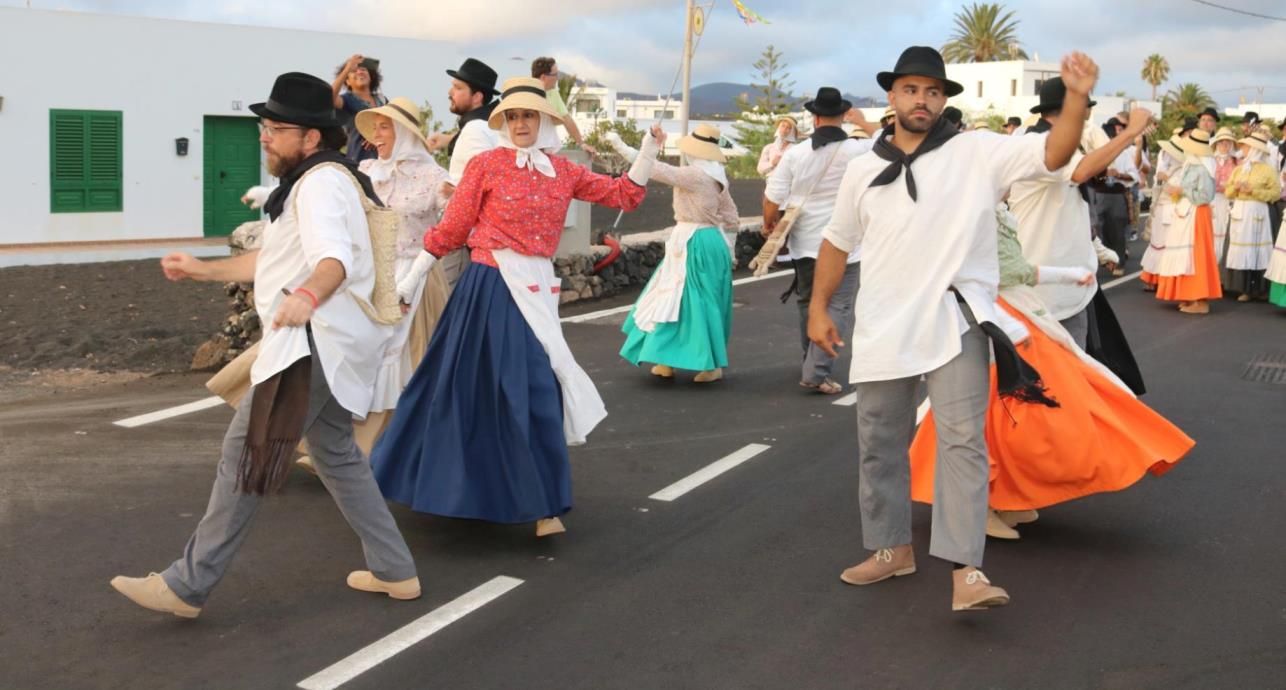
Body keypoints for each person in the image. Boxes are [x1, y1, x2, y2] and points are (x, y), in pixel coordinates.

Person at [110, 73, 421, 618]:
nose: (264, 136)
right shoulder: (307, 183)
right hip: (325, 344)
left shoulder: (322, 183)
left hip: (312, 344)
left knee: (248, 456)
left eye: (276, 128)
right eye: (265, 125)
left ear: (311, 136)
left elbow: (333, 262)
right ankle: (396, 571)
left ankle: (187, 586)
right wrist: (203, 270)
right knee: (338, 456)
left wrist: (307, 295)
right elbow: (271, 261)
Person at [808, 46, 1096, 612]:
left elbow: (1055, 153)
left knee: (963, 441)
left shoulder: (977, 152)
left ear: (943, 100)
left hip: (955, 316)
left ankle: (968, 571)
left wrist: (1078, 99)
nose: (923, 99)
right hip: (885, 323)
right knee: (879, 445)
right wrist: (819, 308)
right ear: (891, 97)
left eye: (933, 91)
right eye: (912, 89)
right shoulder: (863, 167)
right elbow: (837, 241)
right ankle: (891, 550)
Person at [368, 78, 663, 538]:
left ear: (544, 120)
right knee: (466, 389)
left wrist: (647, 152)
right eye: (513, 116)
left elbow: (624, 194)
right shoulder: (486, 164)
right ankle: (456, 489)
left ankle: (541, 504)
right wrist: (412, 276)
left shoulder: (564, 171)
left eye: (528, 115)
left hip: (536, 289)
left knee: (535, 390)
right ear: (503, 122)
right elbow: (453, 227)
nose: (521, 123)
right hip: (488, 288)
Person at [909, 203, 1194, 539]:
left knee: (1034, 406)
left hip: (1011, 313)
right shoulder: (968, 209)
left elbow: (1013, 271)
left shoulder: (989, 204)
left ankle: (1006, 497)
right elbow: (984, 276)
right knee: (1002, 411)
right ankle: (980, 504)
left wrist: (1068, 275)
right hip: (988, 319)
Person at [1010, 78, 1152, 347]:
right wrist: (1130, 132)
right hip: (1045, 291)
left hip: (1068, 284)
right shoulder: (1040, 144)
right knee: (1051, 379)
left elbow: (1070, 207)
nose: (1087, 115)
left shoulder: (1061, 145)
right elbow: (1082, 171)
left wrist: (1097, 249)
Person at [352, 97, 454, 447]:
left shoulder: (434, 177)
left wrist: (456, 199)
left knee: (410, 361)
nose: (377, 135)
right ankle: (352, 448)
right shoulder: (365, 171)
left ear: (405, 134)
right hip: (371, 276)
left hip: (419, 276)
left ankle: (399, 448)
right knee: (364, 357)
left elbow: (457, 221)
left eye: (385, 127)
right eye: (375, 127)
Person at [763, 87, 875, 394]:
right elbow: (890, 135)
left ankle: (808, 359)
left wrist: (769, 225)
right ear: (841, 116)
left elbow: (772, 198)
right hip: (845, 242)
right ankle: (816, 371)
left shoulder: (795, 154)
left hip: (804, 240)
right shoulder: (860, 150)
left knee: (808, 302)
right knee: (836, 304)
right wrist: (863, 122)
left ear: (814, 118)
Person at [609, 124, 739, 383]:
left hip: (693, 241)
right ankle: (678, 360)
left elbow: (652, 168)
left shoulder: (695, 175)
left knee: (681, 298)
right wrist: (729, 248)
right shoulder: (718, 177)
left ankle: (685, 361)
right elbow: (732, 217)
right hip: (710, 241)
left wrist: (620, 144)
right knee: (694, 300)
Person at [1151, 129, 1222, 314]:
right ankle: (1191, 296)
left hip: (1197, 214)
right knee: (1186, 255)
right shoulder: (1190, 166)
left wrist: (1181, 191)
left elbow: (1205, 196)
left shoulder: (1203, 169)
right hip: (1186, 212)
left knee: (1196, 255)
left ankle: (1200, 299)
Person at [1224, 131, 1283, 301]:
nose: (1243, 148)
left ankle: (1258, 288)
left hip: (1257, 212)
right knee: (1240, 250)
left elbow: (1275, 193)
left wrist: (1253, 191)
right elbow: (1228, 192)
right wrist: (1235, 188)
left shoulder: (1268, 170)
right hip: (1240, 211)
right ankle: (1242, 288)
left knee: (1258, 251)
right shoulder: (1239, 169)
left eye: (1246, 146)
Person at [428, 58, 501, 194]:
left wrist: (455, 193)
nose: (450, 92)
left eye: (458, 87)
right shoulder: (488, 124)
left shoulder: (474, 130)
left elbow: (485, 184)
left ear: (476, 98)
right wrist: (449, 139)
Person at [531, 56, 595, 154]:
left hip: (547, 151)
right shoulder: (526, 94)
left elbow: (567, 119)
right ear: (543, 77)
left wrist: (582, 144)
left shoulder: (553, 93)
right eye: (555, 75)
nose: (557, 78)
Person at [332, 54, 388, 162]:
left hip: (383, 162)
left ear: (371, 76)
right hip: (358, 160)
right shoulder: (347, 99)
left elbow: (395, 127)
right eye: (354, 71)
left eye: (363, 69)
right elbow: (328, 98)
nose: (360, 72)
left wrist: (377, 138)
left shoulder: (382, 101)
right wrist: (347, 68)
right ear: (347, 81)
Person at [1211, 127, 1238, 265]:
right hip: (1212, 200)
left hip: (1229, 201)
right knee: (1212, 232)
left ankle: (1221, 270)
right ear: (1216, 144)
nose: (1224, 145)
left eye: (1228, 142)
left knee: (1226, 232)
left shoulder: (1236, 162)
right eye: (1221, 142)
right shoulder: (1210, 160)